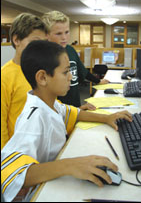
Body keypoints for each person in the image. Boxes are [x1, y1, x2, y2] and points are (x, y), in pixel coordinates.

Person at [1, 40, 133, 202]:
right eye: (65, 72)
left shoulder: (51, 103)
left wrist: (106, 118)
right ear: (42, 78)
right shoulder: (33, 119)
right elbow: (13, 173)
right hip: (42, 193)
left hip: (55, 181)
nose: (71, 77)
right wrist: (70, 165)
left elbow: (75, 113)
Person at [41, 11, 110, 110]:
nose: (64, 37)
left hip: (76, 106)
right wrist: (71, 111)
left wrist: (98, 81)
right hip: (58, 112)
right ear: (46, 35)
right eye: (58, 34)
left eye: (67, 32)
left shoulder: (70, 50)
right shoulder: (43, 56)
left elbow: (84, 72)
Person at [1, 13, 48, 149]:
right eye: (35, 42)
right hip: (18, 152)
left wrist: (77, 112)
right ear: (16, 40)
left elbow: (51, 104)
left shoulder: (40, 72)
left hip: (40, 145)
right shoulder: (5, 76)